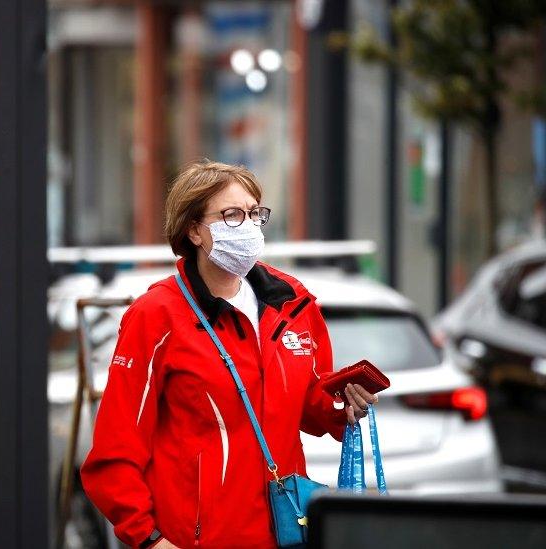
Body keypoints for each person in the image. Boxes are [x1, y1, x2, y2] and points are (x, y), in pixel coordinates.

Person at [80, 160, 379, 548]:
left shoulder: (293, 303)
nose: (250, 226)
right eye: (232, 215)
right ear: (193, 230)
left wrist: (342, 407)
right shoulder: (155, 317)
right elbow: (113, 452)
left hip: (286, 532)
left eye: (255, 214)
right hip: (198, 539)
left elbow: (306, 405)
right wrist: (149, 538)